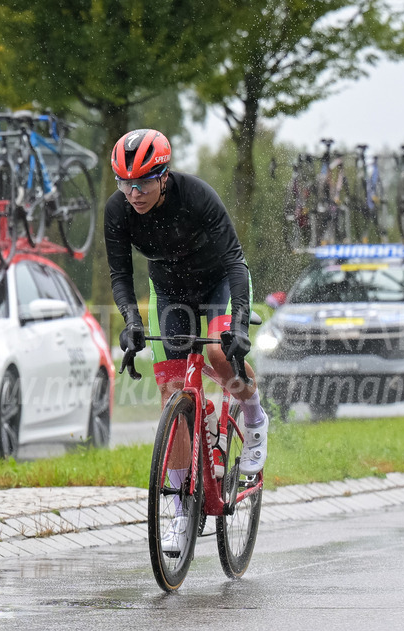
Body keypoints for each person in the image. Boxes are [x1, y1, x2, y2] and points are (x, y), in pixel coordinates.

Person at [104, 128, 268, 555]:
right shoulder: (119, 210)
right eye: (124, 183)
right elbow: (121, 275)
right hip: (170, 291)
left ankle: (254, 416)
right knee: (172, 393)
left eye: (142, 183)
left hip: (219, 283)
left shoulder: (196, 196)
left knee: (216, 351)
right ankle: (179, 509)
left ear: (163, 176)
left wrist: (239, 326)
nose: (133, 193)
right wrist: (131, 321)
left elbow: (235, 261)